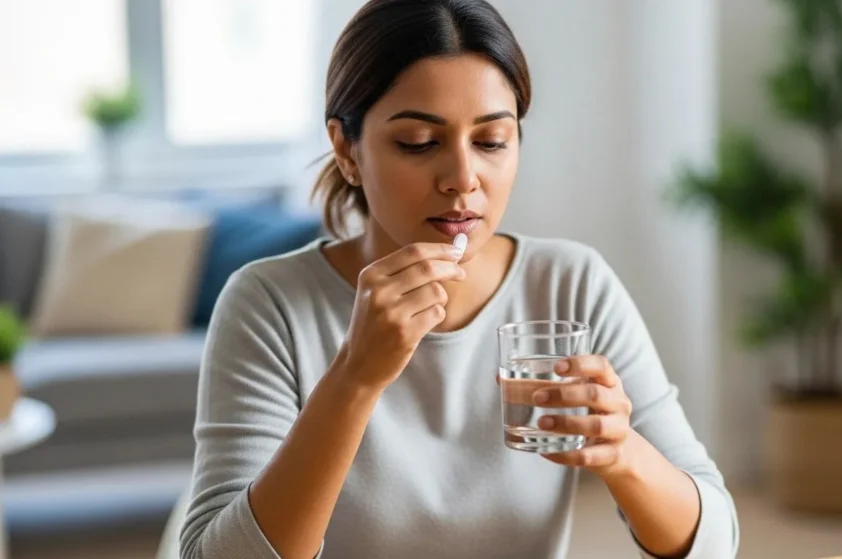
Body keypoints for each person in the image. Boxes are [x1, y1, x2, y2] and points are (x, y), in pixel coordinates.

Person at [179, 0, 739, 557]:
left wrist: (622, 452)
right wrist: (353, 379)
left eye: (492, 141)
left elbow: (715, 543)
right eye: (419, 144)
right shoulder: (270, 304)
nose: (463, 179)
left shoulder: (570, 283)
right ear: (347, 150)